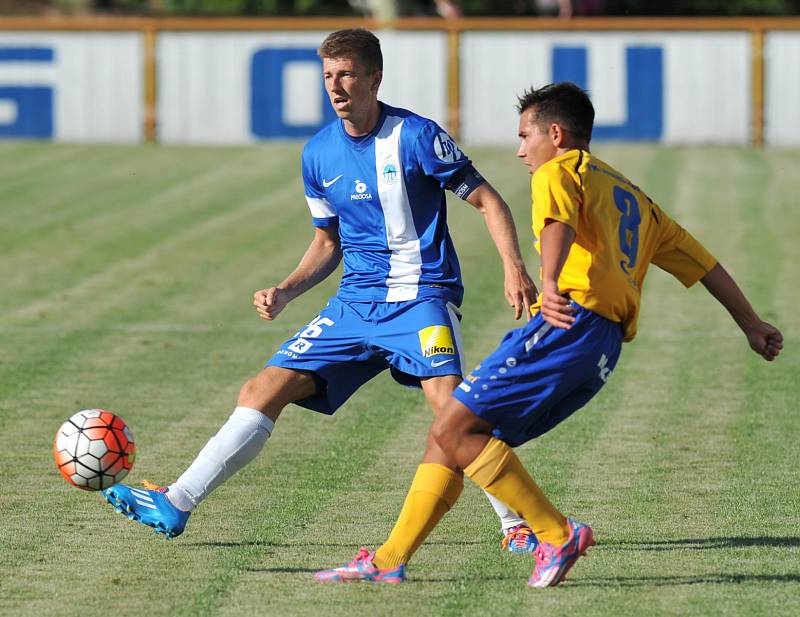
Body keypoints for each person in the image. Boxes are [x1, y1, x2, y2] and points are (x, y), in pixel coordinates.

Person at [314, 81, 784, 586]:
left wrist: (552, 281)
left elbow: (556, 220)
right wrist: (751, 325)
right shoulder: (635, 197)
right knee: (454, 434)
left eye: (524, 136)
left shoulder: (560, 169)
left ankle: (554, 533)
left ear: (555, 134)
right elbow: (704, 263)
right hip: (601, 349)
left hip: (566, 323)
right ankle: (390, 559)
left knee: (452, 429)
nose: (520, 151)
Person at [101, 28, 540, 551]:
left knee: (451, 409)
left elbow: (490, 201)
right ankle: (178, 502)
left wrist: (514, 267)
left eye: (347, 74)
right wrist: (286, 290)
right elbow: (327, 243)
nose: (335, 86)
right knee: (261, 390)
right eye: (328, 75)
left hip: (420, 298)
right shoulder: (318, 153)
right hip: (354, 305)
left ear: (374, 78)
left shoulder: (417, 137)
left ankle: (517, 525)